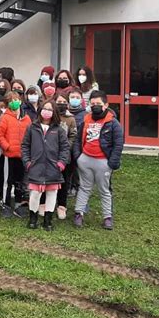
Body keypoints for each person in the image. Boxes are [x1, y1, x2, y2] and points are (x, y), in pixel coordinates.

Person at [73, 90, 124, 230]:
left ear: (106, 105)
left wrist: (112, 163)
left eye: (98, 104)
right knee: (84, 187)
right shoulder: (86, 119)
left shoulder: (113, 123)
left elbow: (118, 144)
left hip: (103, 162)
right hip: (86, 160)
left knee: (104, 190)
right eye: (92, 103)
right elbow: (78, 139)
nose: (95, 106)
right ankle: (79, 213)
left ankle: (107, 217)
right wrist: (78, 157)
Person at [21, 100, 70, 231]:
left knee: (51, 193)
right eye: (44, 108)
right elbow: (25, 146)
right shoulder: (32, 128)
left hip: (53, 168)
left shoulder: (59, 130)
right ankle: (33, 218)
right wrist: (27, 162)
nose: (46, 111)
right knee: (35, 194)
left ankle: (48, 220)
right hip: (35, 167)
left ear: (54, 112)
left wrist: (61, 163)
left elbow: (65, 148)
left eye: (50, 109)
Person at [0, 91, 32, 218]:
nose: (14, 102)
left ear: (20, 101)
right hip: (9, 156)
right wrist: (8, 147)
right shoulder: (5, 117)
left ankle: (18, 204)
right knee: (8, 180)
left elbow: (30, 136)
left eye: (16, 99)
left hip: (22, 156)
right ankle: (5, 204)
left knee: (20, 181)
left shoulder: (26, 118)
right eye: (11, 101)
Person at [55, 93, 77, 219]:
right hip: (50, 154)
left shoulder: (71, 119)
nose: (61, 104)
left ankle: (62, 206)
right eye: (59, 101)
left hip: (65, 155)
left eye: (63, 101)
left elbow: (73, 136)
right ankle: (47, 203)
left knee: (64, 181)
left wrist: (65, 148)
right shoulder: (51, 116)